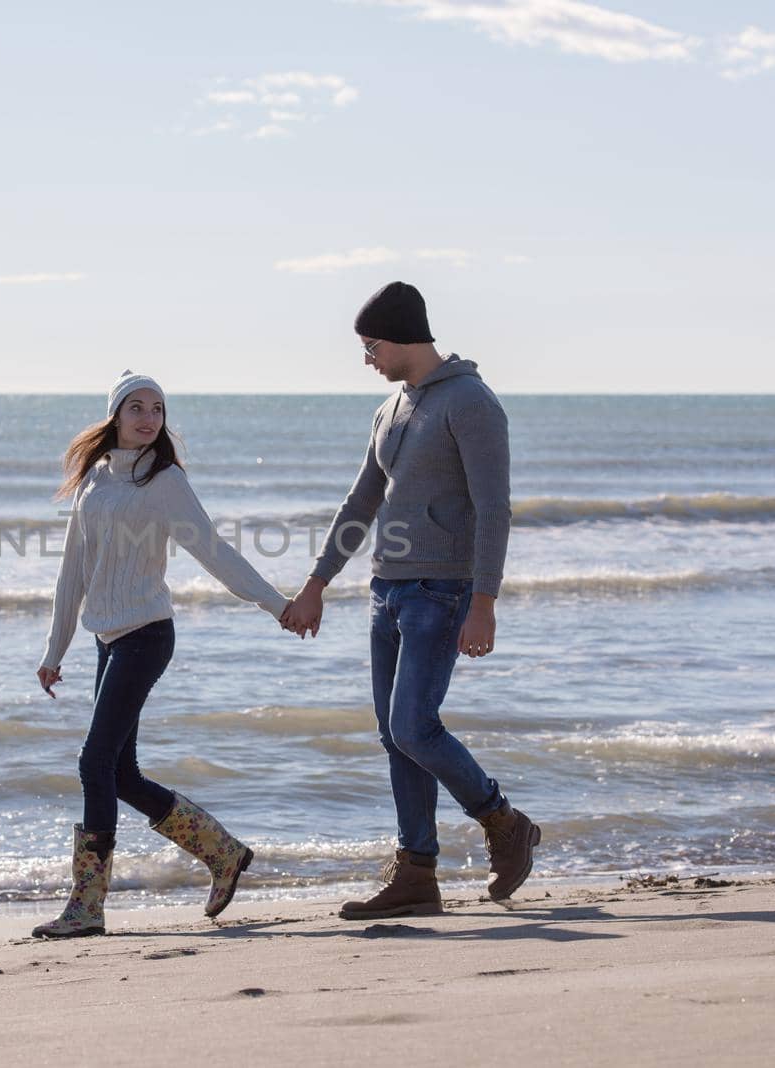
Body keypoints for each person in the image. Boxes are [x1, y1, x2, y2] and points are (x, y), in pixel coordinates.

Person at [281, 281, 541, 919]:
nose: (366, 358)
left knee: (412, 726)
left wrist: (484, 601)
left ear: (400, 337)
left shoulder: (471, 402)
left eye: (370, 345)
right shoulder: (390, 408)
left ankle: (504, 823)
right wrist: (317, 583)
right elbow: (362, 501)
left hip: (441, 592)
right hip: (387, 590)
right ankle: (417, 874)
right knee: (396, 738)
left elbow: (494, 509)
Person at [32, 370, 297, 938]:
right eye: (137, 408)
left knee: (92, 763)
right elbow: (72, 573)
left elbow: (215, 552)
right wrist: (56, 650)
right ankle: (222, 853)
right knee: (119, 773)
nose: (149, 418)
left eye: (157, 409)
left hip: (147, 636)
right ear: (116, 416)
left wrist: (276, 605)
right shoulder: (94, 481)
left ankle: (87, 906)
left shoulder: (166, 480)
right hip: (108, 639)